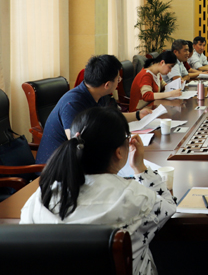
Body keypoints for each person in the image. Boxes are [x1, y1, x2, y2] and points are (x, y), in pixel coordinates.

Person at [21, 107, 176, 275]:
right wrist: (140, 168)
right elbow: (168, 206)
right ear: (119, 152)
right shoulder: (134, 197)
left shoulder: (40, 198)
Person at [36, 55, 151, 165]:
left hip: (82, 159)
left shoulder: (97, 94)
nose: (119, 81)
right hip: (58, 166)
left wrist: (137, 115)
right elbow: (77, 144)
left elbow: (109, 118)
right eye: (118, 79)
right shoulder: (73, 103)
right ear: (107, 85)